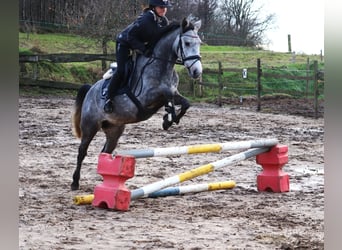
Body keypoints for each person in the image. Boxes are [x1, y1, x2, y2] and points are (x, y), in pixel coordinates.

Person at [104, 0, 178, 113]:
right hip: (125, 43)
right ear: (153, 7)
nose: (164, 10)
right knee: (122, 70)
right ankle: (108, 98)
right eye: (161, 7)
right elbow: (130, 36)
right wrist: (143, 49)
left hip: (139, 43)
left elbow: (159, 38)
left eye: (165, 7)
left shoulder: (163, 20)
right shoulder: (146, 19)